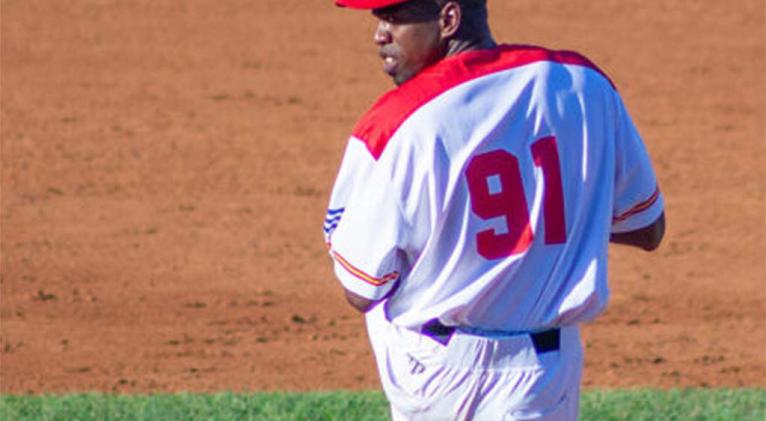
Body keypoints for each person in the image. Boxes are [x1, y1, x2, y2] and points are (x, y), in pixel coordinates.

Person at [323, 0, 666, 419]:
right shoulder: (583, 85)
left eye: (394, 17)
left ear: (449, 19)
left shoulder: (395, 126)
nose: (379, 34)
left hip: (438, 376)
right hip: (545, 374)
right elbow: (647, 228)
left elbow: (363, 288)